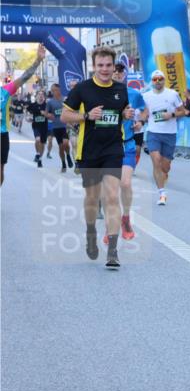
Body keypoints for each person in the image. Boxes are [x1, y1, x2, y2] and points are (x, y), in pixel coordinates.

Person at [60, 46, 136, 268]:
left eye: (108, 65)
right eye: (100, 65)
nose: (104, 69)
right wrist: (86, 115)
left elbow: (121, 111)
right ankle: (91, 231)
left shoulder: (121, 89)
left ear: (114, 67)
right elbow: (64, 115)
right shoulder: (83, 89)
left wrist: (126, 114)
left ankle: (112, 251)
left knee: (112, 197)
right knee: (92, 199)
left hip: (113, 150)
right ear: (94, 66)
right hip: (89, 152)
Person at [110, 65, 149, 243]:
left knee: (125, 184)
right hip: (108, 146)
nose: (117, 75)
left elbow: (145, 110)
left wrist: (140, 121)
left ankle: (125, 218)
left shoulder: (134, 93)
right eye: (114, 72)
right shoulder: (101, 94)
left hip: (127, 145)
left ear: (124, 75)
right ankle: (111, 227)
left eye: (120, 72)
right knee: (110, 191)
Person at [1, 44, 45, 184]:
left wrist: (38, 60)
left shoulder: (5, 91)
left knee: (0, 170)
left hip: (2, 135)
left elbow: (26, 76)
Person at [142, 69, 186, 207]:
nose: (158, 81)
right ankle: (162, 193)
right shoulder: (146, 96)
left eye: (160, 79)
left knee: (165, 167)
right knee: (156, 160)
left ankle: (163, 175)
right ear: (151, 81)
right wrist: (139, 120)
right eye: (155, 79)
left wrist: (171, 115)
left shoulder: (172, 94)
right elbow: (144, 113)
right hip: (153, 133)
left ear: (164, 80)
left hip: (169, 134)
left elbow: (183, 111)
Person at [44, 84, 72, 173]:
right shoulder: (50, 102)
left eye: (55, 89)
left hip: (65, 126)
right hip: (56, 127)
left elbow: (72, 109)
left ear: (59, 89)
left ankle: (68, 155)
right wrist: (48, 115)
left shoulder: (65, 99)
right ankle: (63, 163)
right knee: (60, 147)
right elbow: (46, 113)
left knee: (65, 143)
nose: (54, 92)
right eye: (52, 90)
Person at [28, 91, 50, 168]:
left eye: (42, 95)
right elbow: (27, 112)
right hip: (36, 126)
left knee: (43, 143)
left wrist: (46, 114)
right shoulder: (33, 105)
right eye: (39, 94)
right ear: (36, 96)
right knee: (38, 140)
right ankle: (37, 154)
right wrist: (28, 118)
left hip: (44, 127)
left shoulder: (47, 105)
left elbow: (51, 115)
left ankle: (40, 159)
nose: (40, 96)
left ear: (44, 97)